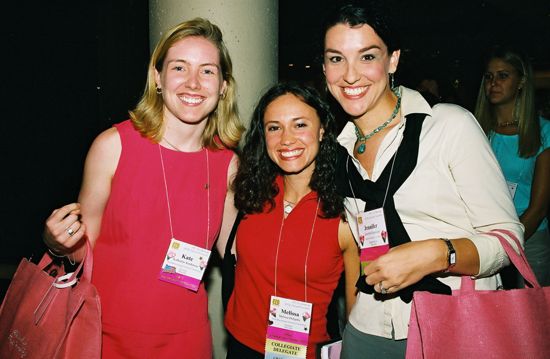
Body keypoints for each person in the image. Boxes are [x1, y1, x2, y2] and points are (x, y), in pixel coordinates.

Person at [321, 2, 524, 358]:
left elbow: (508, 240)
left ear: (393, 60)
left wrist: (437, 253)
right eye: (336, 59)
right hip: (367, 329)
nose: (350, 75)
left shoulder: (447, 126)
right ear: (324, 67)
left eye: (367, 57)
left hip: (452, 325)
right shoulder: (338, 151)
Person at [43, 18, 243, 358]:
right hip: (106, 335)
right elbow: (82, 247)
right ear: (158, 77)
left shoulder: (228, 164)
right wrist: (57, 242)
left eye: (208, 71)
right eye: (180, 67)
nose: (193, 83)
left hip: (187, 341)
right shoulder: (113, 146)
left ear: (223, 85)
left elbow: (239, 253)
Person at [224, 82, 360, 359]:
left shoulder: (346, 213)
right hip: (241, 346)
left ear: (322, 130)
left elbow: (356, 312)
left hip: (306, 352)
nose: (286, 139)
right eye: (274, 127)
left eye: (300, 125)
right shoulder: (250, 195)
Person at [475, 46, 550, 287]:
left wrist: (506, 246)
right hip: (483, 236)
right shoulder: (476, 131)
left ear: (521, 82)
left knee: (530, 319)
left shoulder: (543, 132)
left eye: (503, 75)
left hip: (530, 237)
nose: (493, 83)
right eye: (489, 76)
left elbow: (538, 208)